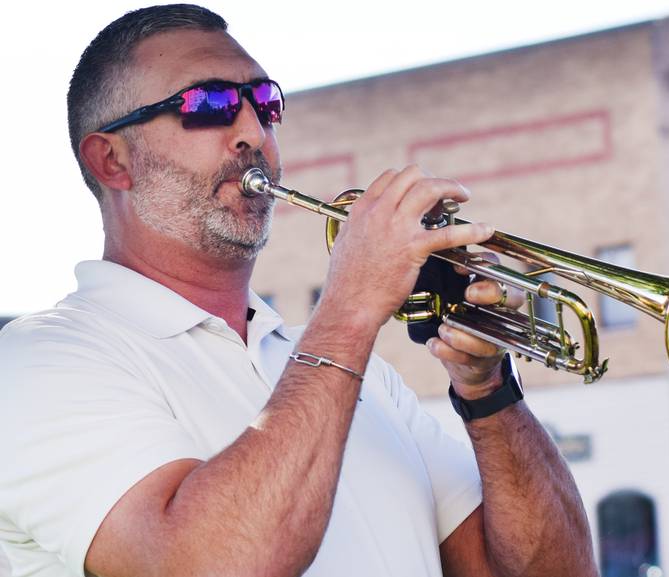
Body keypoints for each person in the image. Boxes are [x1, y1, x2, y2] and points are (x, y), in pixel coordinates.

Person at [0, 5, 596, 577]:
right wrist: (352, 305)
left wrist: (487, 392)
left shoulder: (351, 374)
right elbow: (213, 564)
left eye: (265, 103)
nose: (252, 133)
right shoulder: (40, 363)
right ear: (112, 161)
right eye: (207, 105)